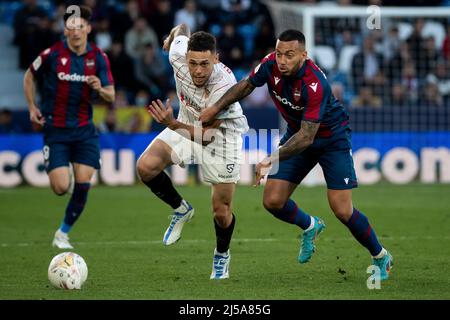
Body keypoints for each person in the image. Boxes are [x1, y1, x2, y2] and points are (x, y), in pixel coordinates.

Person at [199, 29, 393, 280]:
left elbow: (307, 136)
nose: (282, 60)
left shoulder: (315, 84)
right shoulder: (270, 65)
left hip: (330, 139)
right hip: (297, 134)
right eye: (279, 53)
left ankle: (380, 256)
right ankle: (310, 225)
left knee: (342, 210)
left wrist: (271, 158)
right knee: (272, 201)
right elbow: (246, 85)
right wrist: (215, 107)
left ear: (303, 55)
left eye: (289, 55)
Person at [136, 24, 248, 280]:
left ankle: (222, 255)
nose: (198, 70)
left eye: (205, 64)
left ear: (216, 59)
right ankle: (181, 209)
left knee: (221, 212)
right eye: (193, 63)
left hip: (221, 139)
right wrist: (171, 34)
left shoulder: (225, 86)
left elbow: (207, 137)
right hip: (185, 122)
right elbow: (182, 29)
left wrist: (171, 124)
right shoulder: (176, 54)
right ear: (184, 56)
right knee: (145, 167)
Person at [23, 5, 115, 249]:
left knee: (84, 183)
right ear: (65, 30)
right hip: (56, 130)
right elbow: (29, 75)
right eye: (70, 27)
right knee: (61, 187)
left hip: (85, 130)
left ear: (88, 28)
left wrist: (100, 89)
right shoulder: (51, 54)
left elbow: (111, 96)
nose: (75, 32)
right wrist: (32, 107)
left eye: (80, 26)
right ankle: (68, 180)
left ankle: (62, 234)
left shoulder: (98, 57)